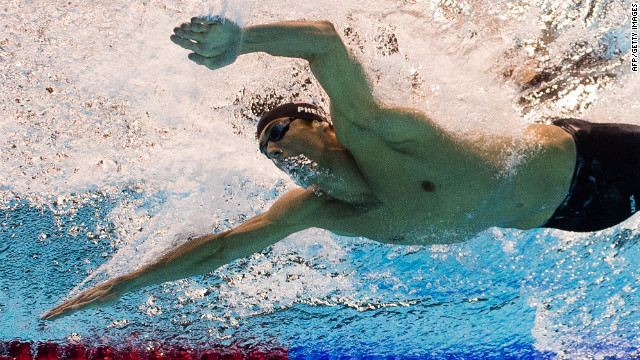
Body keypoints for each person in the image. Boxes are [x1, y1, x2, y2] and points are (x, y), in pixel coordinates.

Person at [42, 17, 640, 320]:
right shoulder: (316, 210)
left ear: (322, 125)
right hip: (577, 216)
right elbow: (219, 249)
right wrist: (118, 287)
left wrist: (239, 41)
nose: (275, 150)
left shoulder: (376, 131)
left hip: (595, 157)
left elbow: (325, 41)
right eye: (266, 150)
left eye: (279, 130)